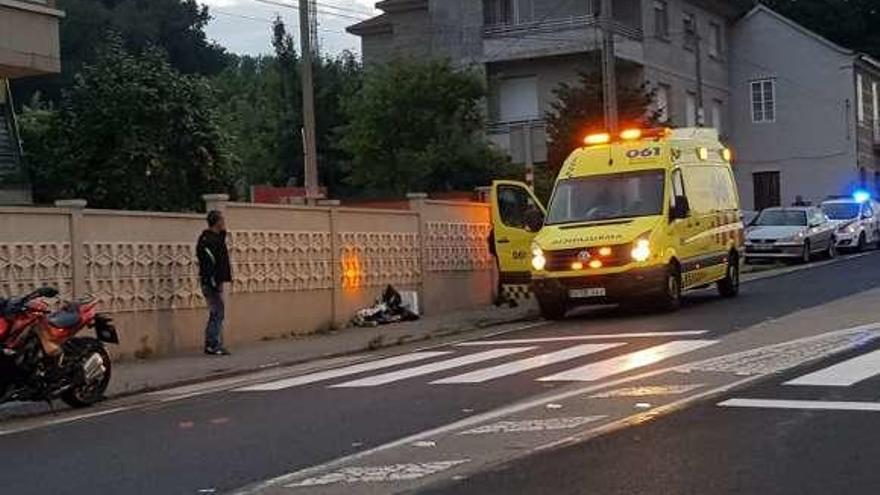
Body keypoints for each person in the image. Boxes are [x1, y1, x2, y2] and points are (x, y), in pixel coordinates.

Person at [197, 210, 232, 356]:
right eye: (222, 220)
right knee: (217, 312)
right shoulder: (208, 241)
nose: (224, 222)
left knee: (216, 312)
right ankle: (212, 344)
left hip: (214, 281)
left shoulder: (214, 239)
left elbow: (220, 249)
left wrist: (223, 233)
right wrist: (213, 281)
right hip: (211, 282)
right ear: (217, 221)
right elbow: (209, 262)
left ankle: (212, 343)